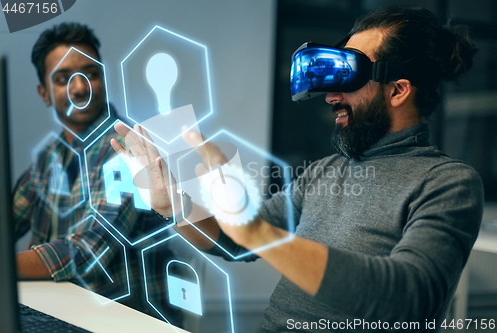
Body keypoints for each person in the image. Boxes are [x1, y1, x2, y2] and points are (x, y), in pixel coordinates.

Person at [112, 6, 483, 332]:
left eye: (348, 75)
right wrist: (172, 204)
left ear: (399, 90)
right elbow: (237, 240)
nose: (331, 95)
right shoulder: (323, 171)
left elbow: (408, 299)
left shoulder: (448, 183)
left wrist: (256, 232)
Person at [13, 22, 180, 322]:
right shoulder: (50, 157)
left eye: (90, 74)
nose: (80, 88)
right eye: (63, 79)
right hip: (57, 314)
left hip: (123, 322)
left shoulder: (128, 148)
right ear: (45, 93)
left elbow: (88, 251)